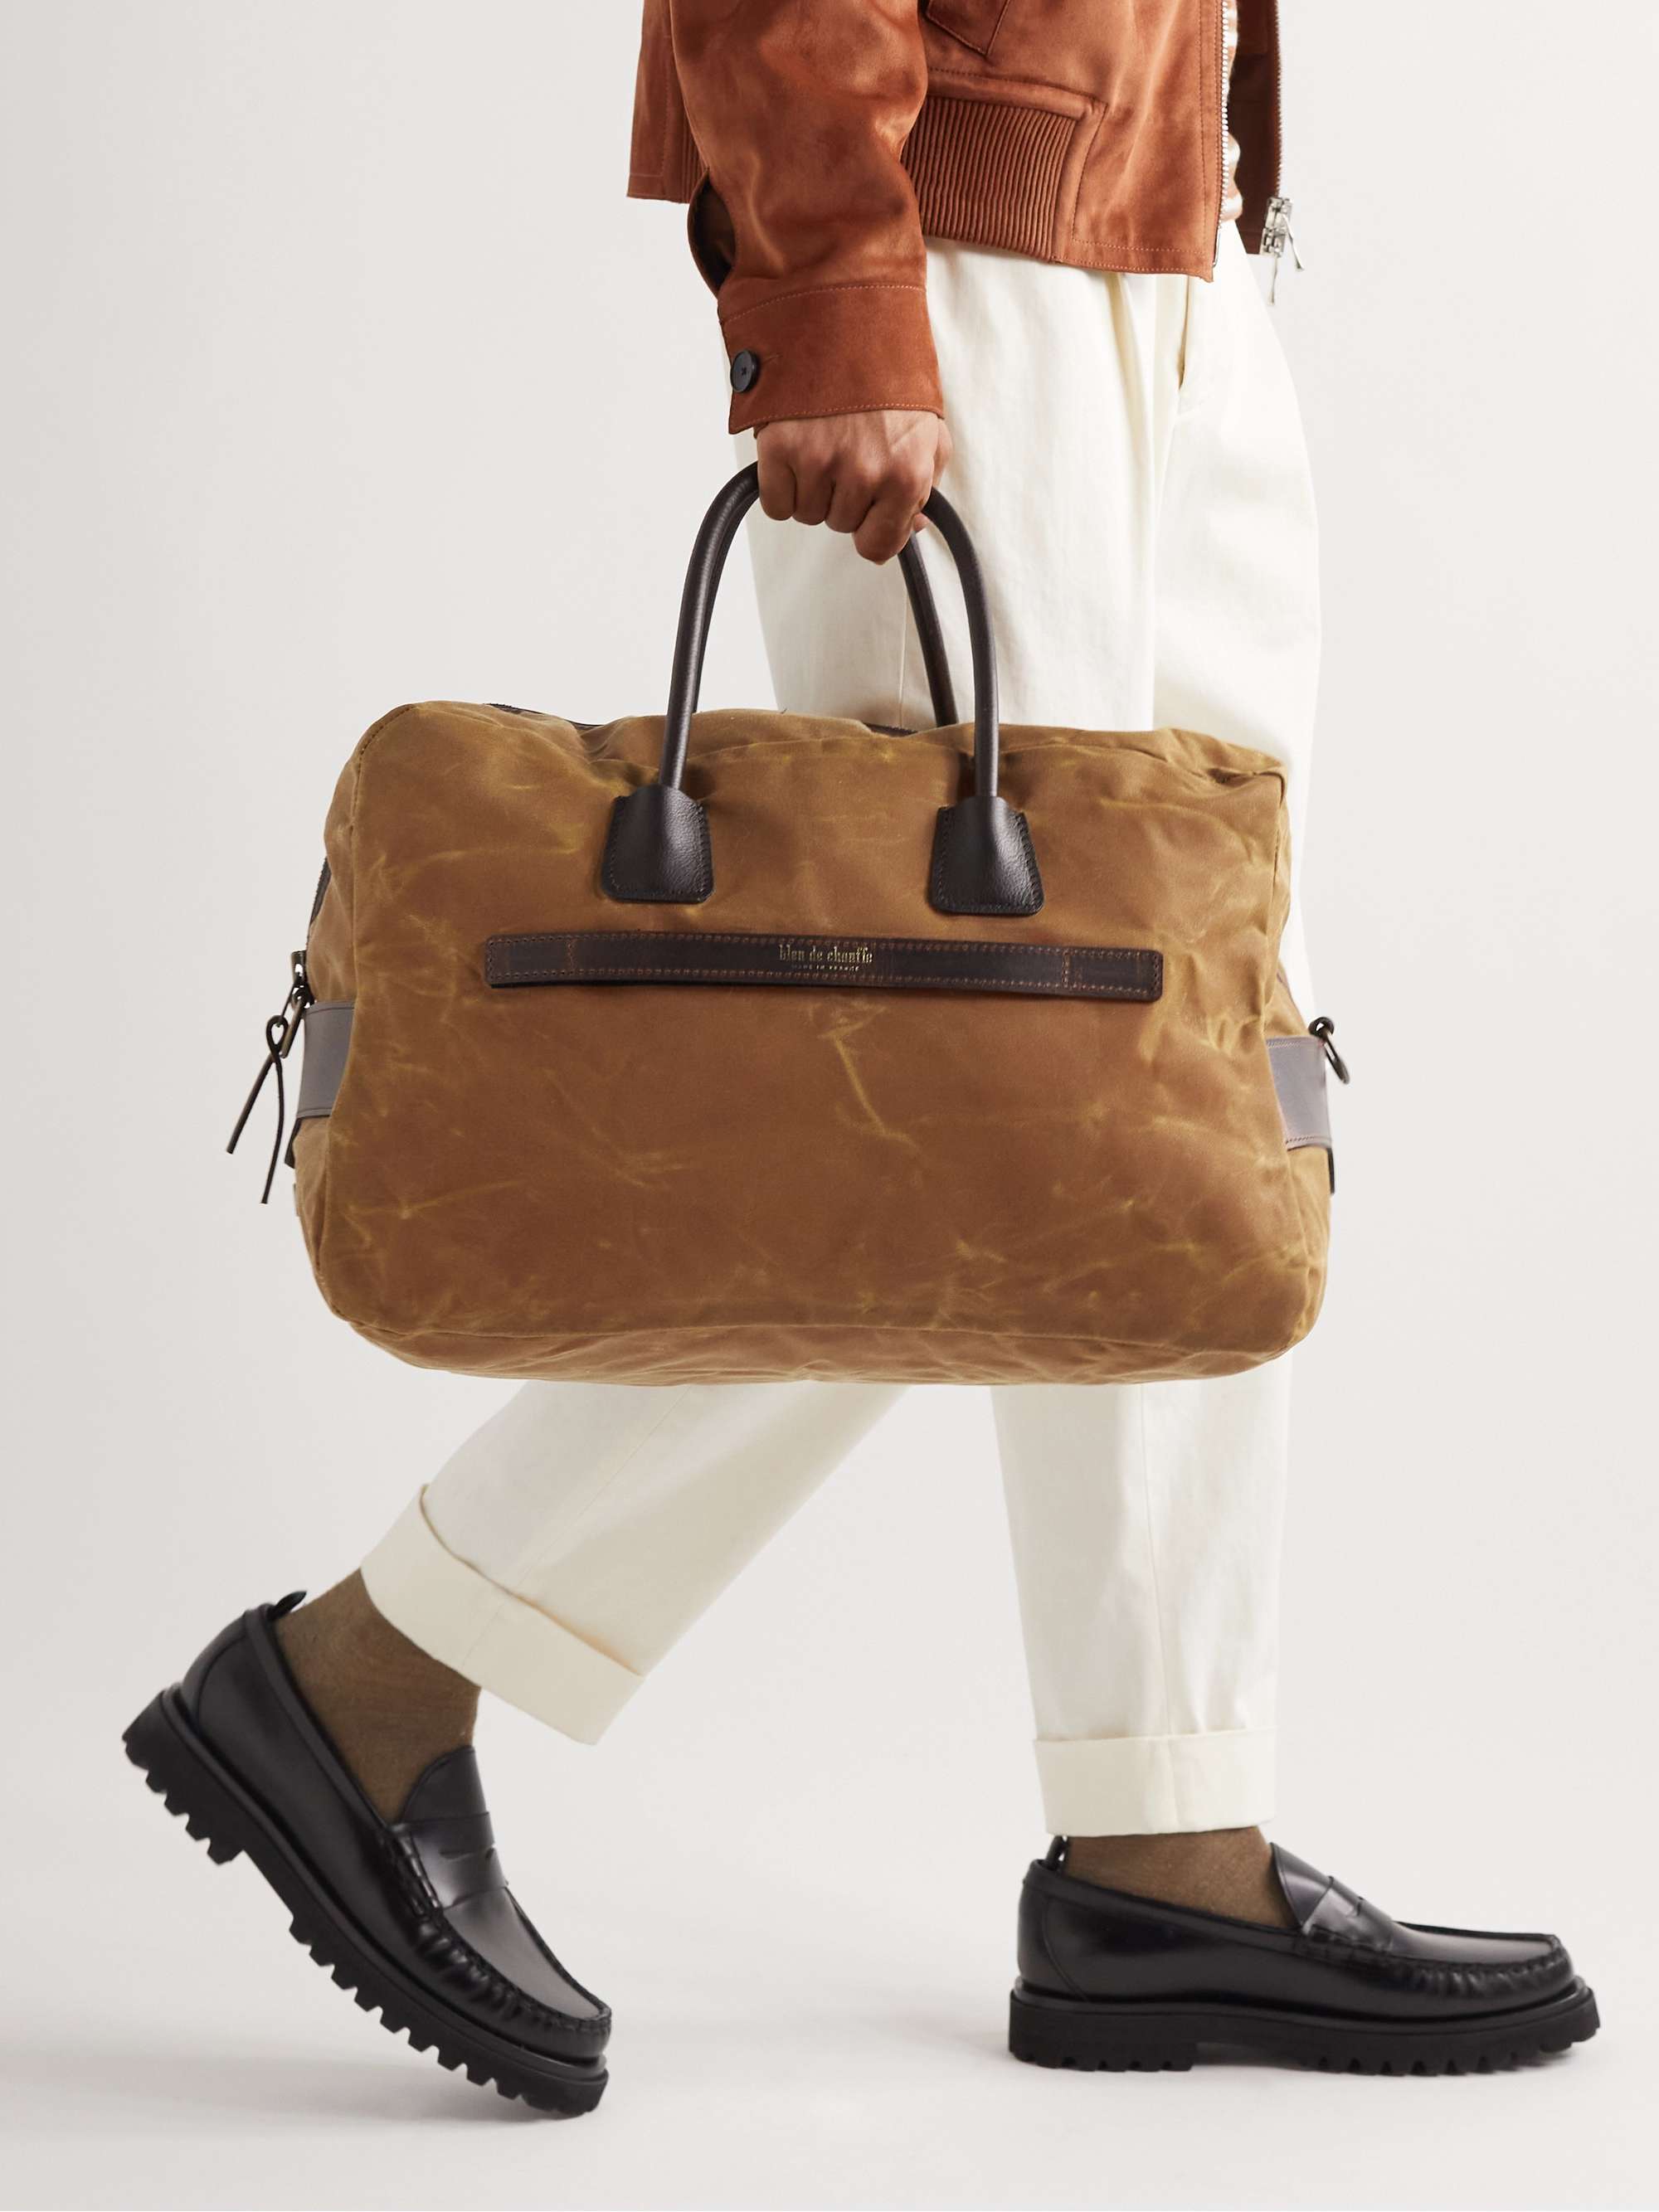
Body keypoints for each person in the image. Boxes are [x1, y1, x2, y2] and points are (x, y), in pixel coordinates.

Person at [125, 2, 1598, 2112]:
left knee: (1186, 1098)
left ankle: (1164, 1828)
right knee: (967, 1110)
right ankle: (374, 1669)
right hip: (968, 257)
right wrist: (834, 278)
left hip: (1176, 222)